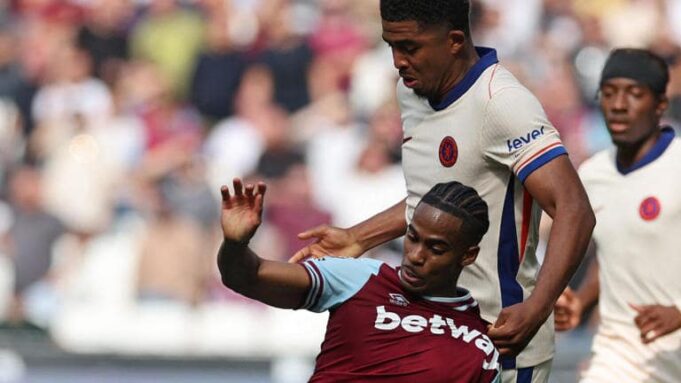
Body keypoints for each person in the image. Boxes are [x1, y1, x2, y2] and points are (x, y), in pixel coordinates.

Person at [288, 1, 596, 381]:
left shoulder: (500, 103)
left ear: (453, 40)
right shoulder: (410, 93)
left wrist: (536, 306)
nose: (398, 61)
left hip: (499, 341)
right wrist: (358, 236)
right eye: (391, 46)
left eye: (410, 47)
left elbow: (574, 208)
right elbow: (433, 197)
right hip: (430, 336)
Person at [218, 178, 501, 382]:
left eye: (436, 249)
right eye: (412, 238)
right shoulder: (360, 277)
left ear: (468, 256)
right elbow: (247, 277)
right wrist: (235, 244)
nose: (415, 255)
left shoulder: (483, 343)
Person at [554, 48, 681, 382]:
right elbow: (615, 251)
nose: (618, 105)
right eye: (608, 94)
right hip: (620, 358)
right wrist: (581, 301)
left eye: (634, 94)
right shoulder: (594, 174)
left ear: (660, 105)